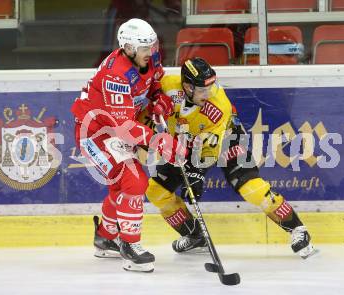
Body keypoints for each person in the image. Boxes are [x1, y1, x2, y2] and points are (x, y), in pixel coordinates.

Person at [143, 57, 316, 259]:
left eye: (211, 87)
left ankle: (298, 229)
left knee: (250, 187)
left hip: (227, 139)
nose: (208, 94)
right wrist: (153, 108)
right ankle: (194, 236)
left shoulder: (218, 106)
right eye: (202, 90)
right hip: (183, 143)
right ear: (188, 86)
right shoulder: (168, 86)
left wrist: (195, 174)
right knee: (156, 192)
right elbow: (146, 93)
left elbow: (210, 150)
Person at [70, 18, 180, 272]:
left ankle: (105, 237)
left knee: (123, 187)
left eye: (153, 46)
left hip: (116, 129)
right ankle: (129, 246)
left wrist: (160, 100)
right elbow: (125, 127)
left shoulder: (149, 57)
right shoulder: (114, 74)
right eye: (145, 48)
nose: (151, 52)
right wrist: (159, 141)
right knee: (134, 181)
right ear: (128, 48)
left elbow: (154, 84)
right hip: (96, 133)